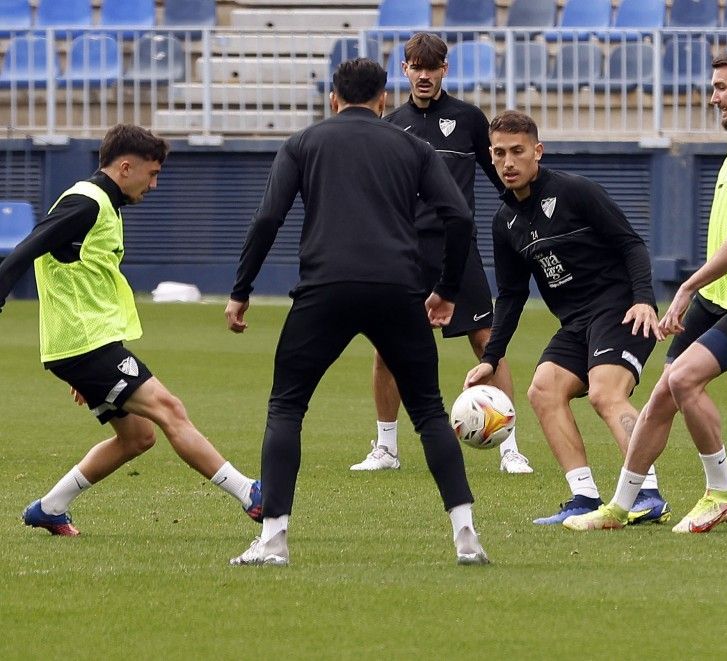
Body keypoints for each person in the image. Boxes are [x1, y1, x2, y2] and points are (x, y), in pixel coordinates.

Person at [225, 58, 489, 566]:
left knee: (287, 407)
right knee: (430, 412)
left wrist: (241, 289)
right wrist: (447, 289)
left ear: (332, 99)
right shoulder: (412, 145)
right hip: (398, 288)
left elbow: (267, 218)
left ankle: (274, 540)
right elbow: (457, 214)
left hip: (325, 287)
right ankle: (467, 538)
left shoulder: (302, 144)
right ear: (384, 100)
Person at [563, 50, 727, 534]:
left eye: (720, 87)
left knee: (684, 380)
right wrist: (698, 293)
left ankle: (722, 494)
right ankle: (621, 506)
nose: (712, 96)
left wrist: (687, 287)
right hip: (723, 296)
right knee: (658, 400)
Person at [0, 124, 262, 537]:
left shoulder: (104, 204)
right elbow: (27, 248)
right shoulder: (86, 204)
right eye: (152, 173)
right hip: (84, 344)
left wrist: (84, 367)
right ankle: (251, 494)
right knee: (169, 409)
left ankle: (50, 507)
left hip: (87, 345)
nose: (154, 184)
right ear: (125, 167)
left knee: (138, 437)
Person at [464, 109, 671, 526]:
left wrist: (645, 300)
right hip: (576, 322)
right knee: (542, 390)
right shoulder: (504, 221)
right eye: (499, 153)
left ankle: (648, 492)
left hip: (620, 309)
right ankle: (584, 496)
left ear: (537, 152)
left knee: (604, 393)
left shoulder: (576, 192)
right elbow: (511, 294)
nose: (508, 162)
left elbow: (631, 244)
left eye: (517, 151)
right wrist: (491, 357)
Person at [350, 32, 532, 475]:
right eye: (417, 66)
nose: (425, 74)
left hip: (457, 250)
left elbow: (501, 179)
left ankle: (510, 448)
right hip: (404, 252)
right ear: (406, 70)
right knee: (387, 348)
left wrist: (528, 224)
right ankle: (386, 449)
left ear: (445, 70)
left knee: (488, 341)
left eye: (433, 67)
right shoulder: (390, 125)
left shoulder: (469, 119)